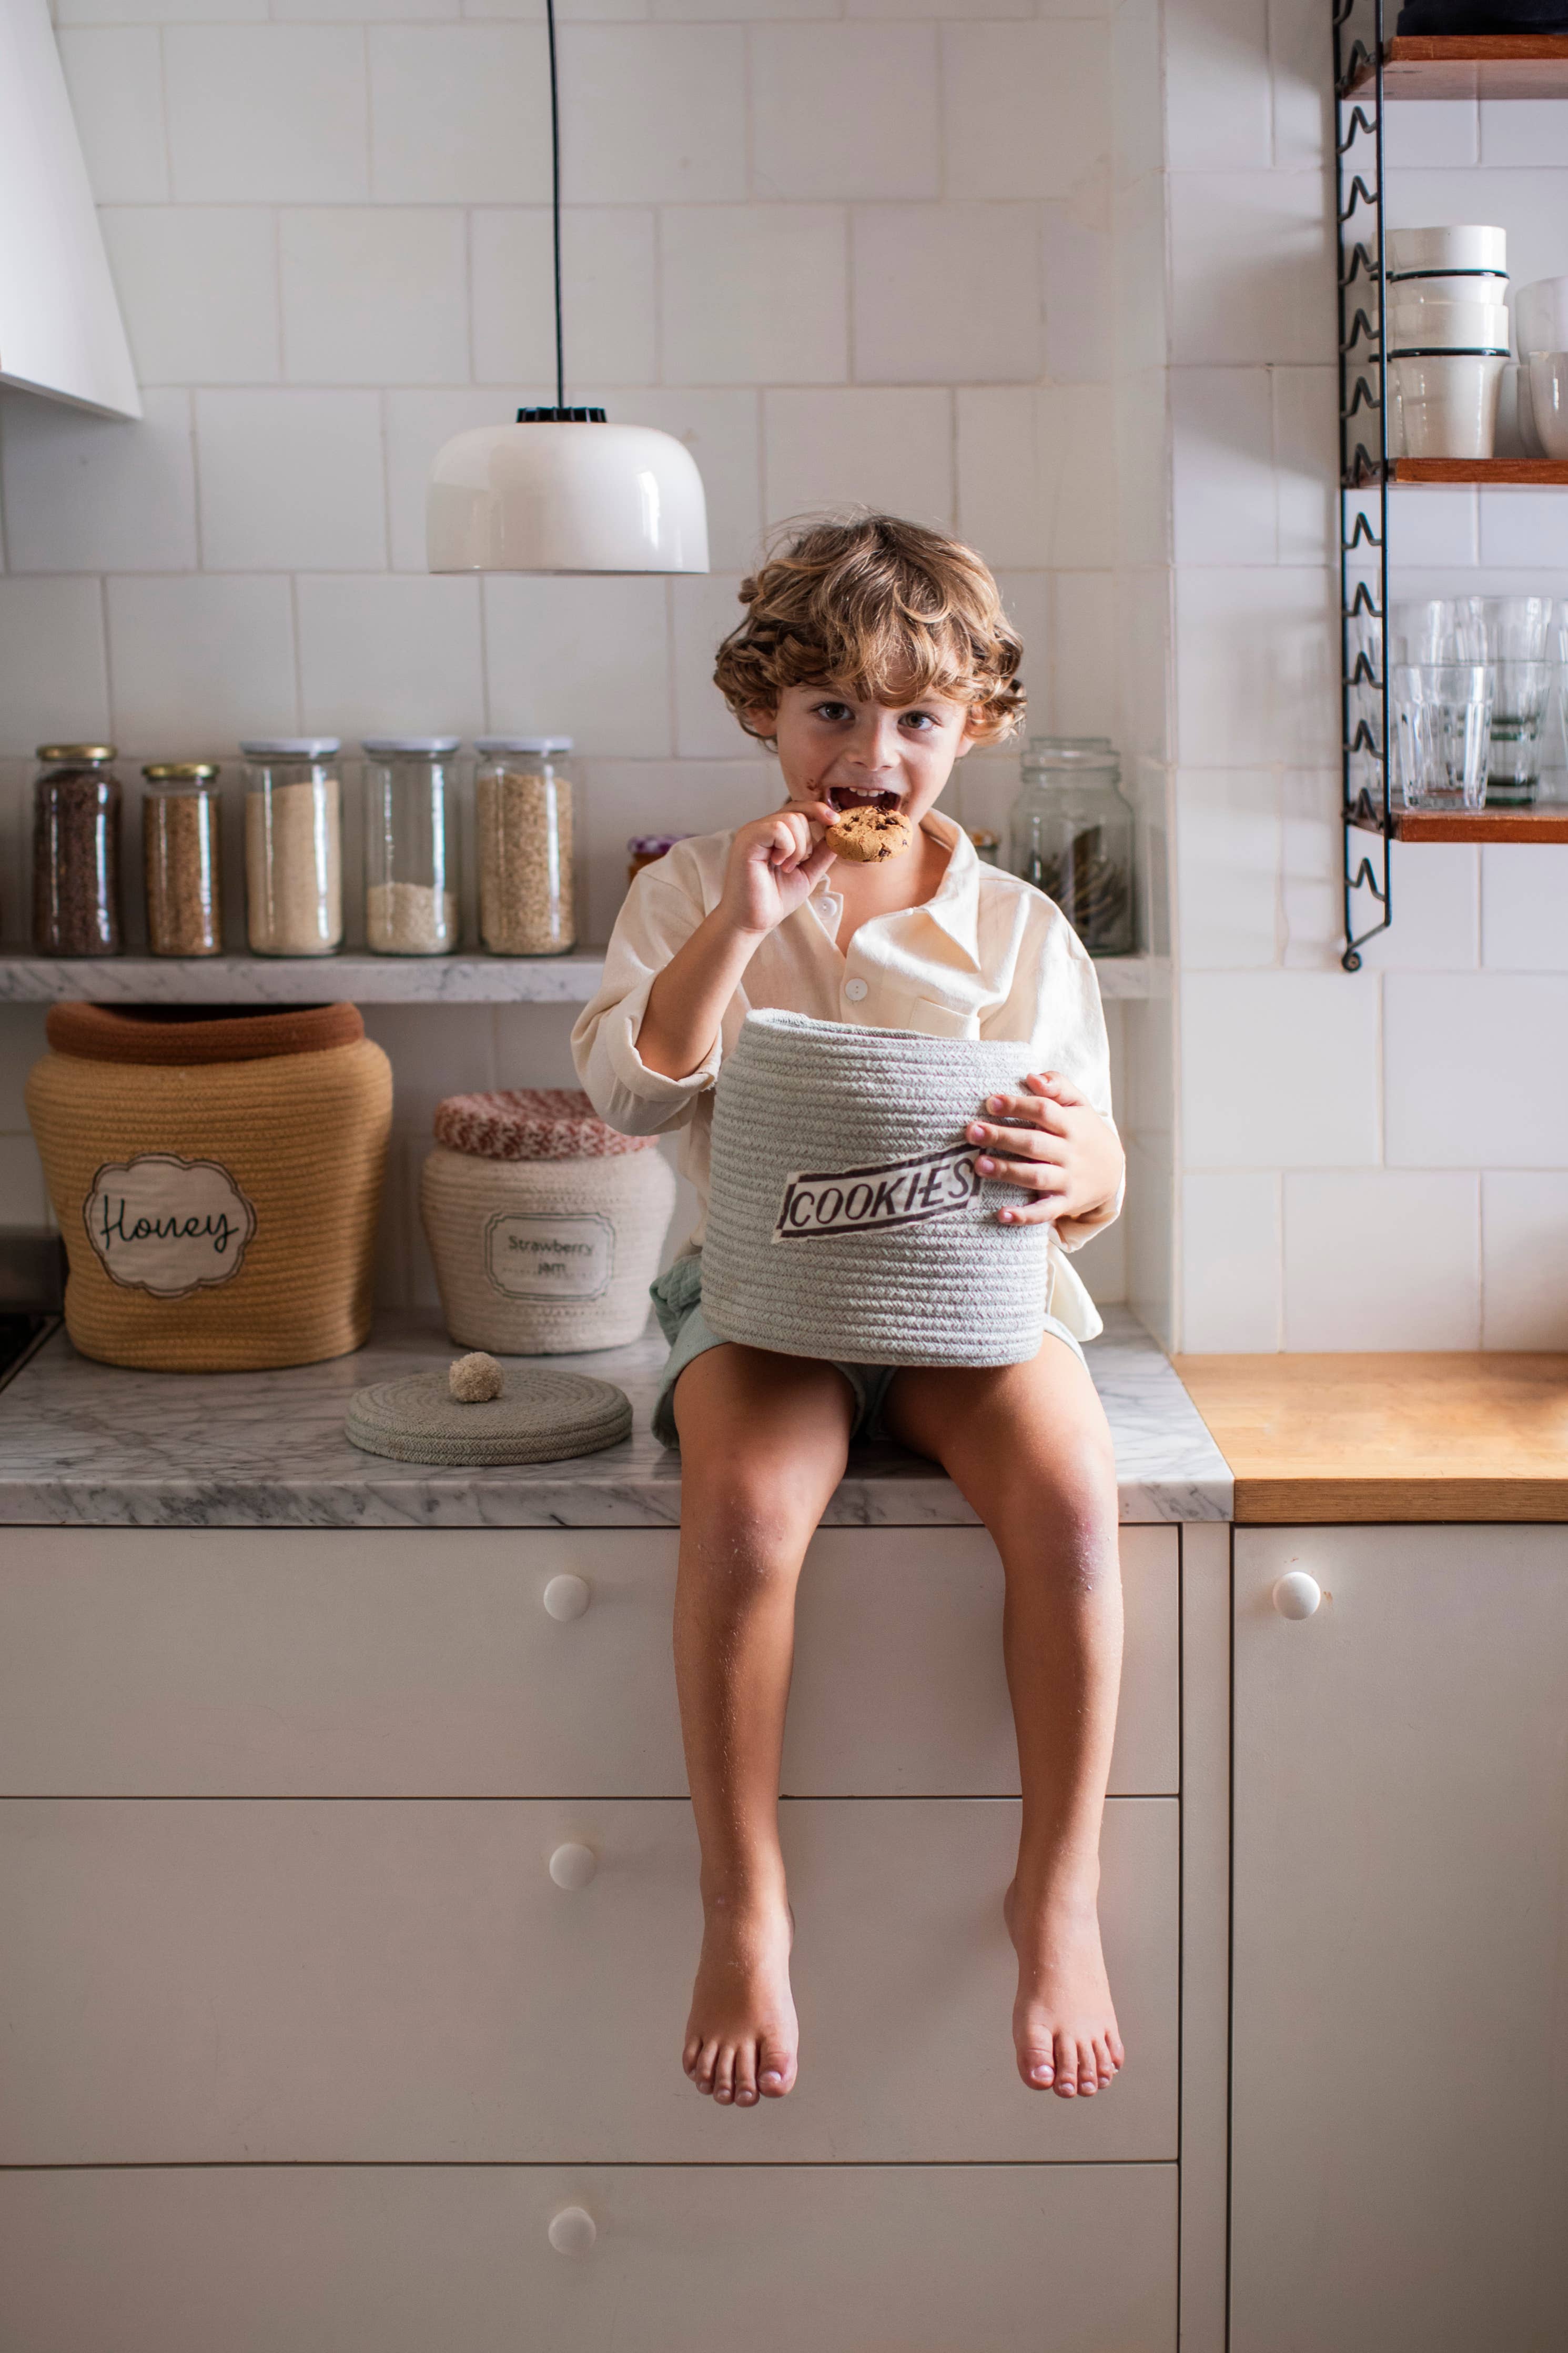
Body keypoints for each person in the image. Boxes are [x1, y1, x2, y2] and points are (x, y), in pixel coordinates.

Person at [571, 514, 1127, 2114]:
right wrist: (743, 927)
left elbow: (1089, 1168)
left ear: (972, 732)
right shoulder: (694, 891)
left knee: (1077, 1506)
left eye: (916, 720)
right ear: (766, 711)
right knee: (743, 1513)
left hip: (973, 1299)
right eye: (831, 709)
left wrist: (1093, 1165)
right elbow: (625, 1089)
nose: (871, 752)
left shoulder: (1023, 929)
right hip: (765, 1306)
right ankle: (745, 1904)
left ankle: (1058, 1892)